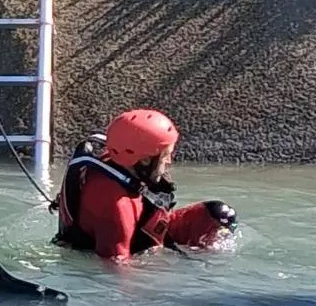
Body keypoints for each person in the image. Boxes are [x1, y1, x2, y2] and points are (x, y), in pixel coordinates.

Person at [53, 110, 237, 261]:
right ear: (145, 160)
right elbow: (115, 268)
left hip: (144, 229)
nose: (170, 161)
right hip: (128, 247)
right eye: (165, 155)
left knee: (216, 215)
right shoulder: (118, 206)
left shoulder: (115, 160)